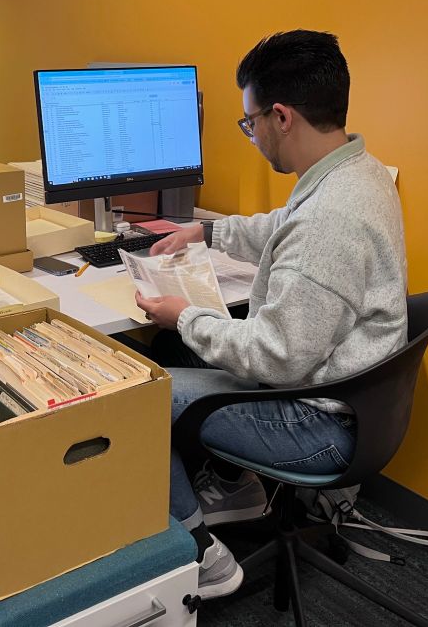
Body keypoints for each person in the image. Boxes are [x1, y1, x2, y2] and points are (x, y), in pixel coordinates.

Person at [135, 30, 407, 599]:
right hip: (353, 396)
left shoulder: (332, 218)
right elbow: (286, 227)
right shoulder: (359, 171)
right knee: (182, 348)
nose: (251, 134)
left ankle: (202, 556)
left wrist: (185, 315)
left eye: (250, 121)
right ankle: (236, 488)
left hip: (318, 423)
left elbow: (276, 357)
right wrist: (207, 232)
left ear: (281, 116)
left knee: (138, 395)